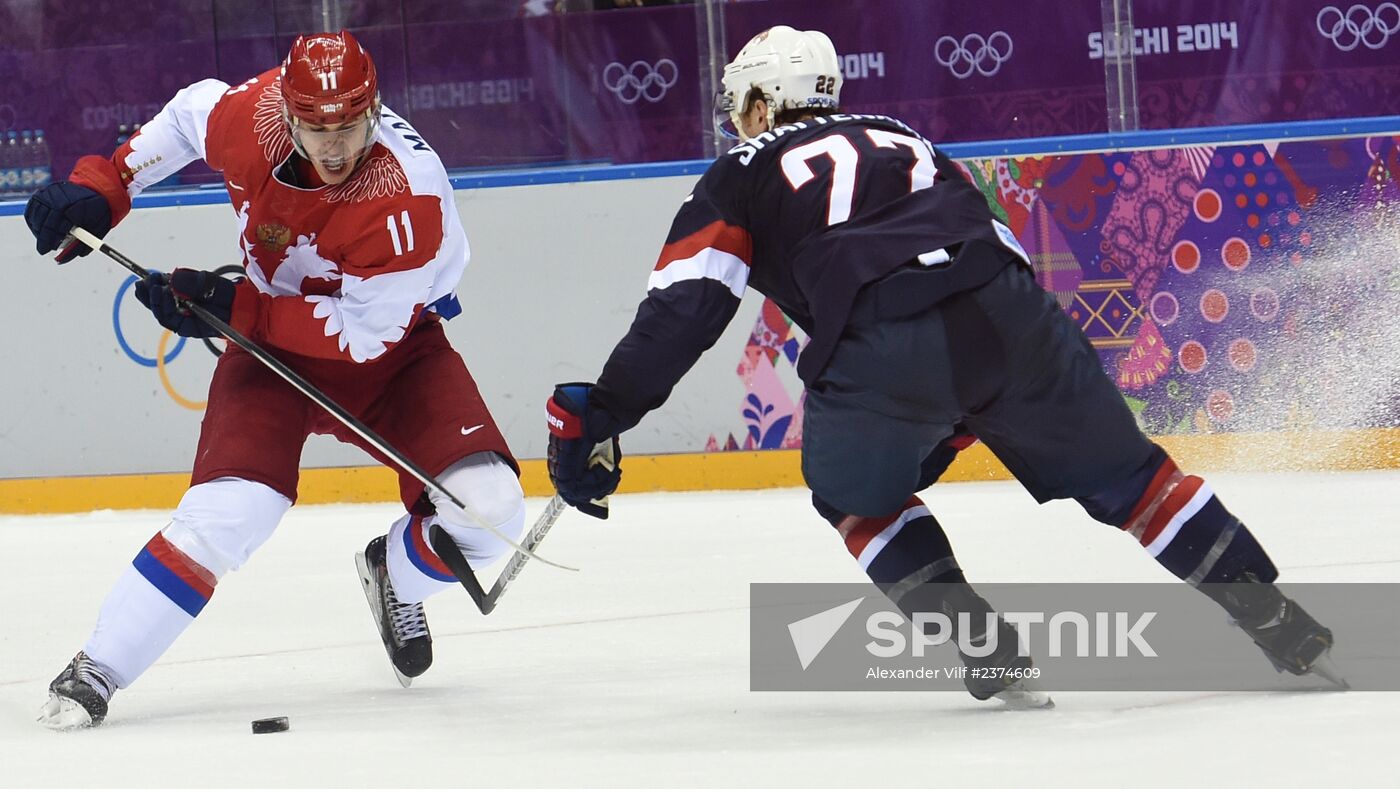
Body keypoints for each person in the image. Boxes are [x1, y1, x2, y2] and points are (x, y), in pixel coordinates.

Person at [544, 25, 1339, 706]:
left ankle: (983, 643)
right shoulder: (906, 136)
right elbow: (1005, 245)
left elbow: (686, 310)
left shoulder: (741, 171)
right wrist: (978, 392)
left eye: (740, 105)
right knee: (1136, 481)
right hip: (1011, 313)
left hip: (879, 337)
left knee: (854, 500)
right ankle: (1278, 618)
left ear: (761, 102)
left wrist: (604, 411)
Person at [24, 31, 525, 729]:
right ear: (286, 113)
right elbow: (185, 116)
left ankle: (395, 575)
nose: (334, 145)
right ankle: (97, 668)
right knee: (231, 512)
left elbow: (364, 333)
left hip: (391, 350)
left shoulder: (409, 197)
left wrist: (233, 307)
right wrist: (104, 189)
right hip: (269, 358)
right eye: (316, 126)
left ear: (374, 110)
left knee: (492, 508)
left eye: (348, 124)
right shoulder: (252, 114)